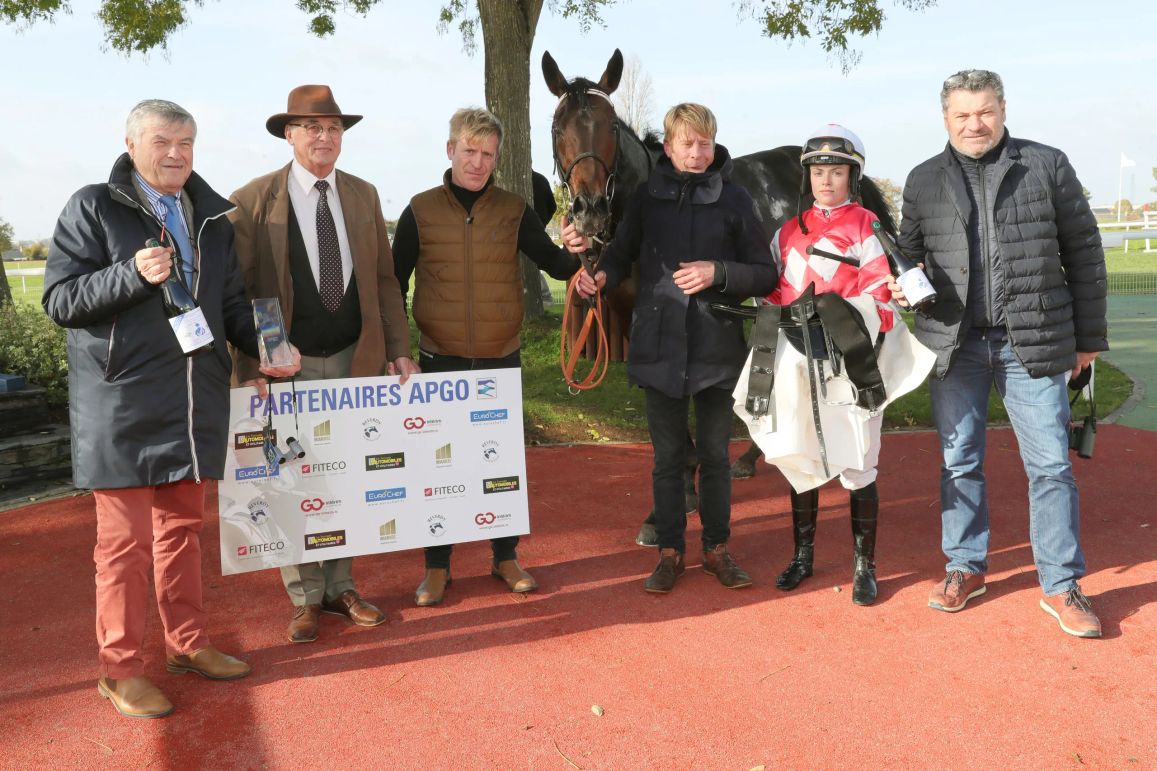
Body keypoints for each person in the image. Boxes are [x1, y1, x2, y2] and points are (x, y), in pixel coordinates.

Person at [42, 99, 300, 719]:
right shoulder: (92, 206)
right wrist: (131, 273)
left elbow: (230, 302)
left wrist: (267, 344)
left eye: (186, 142)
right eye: (162, 141)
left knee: (181, 535)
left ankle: (187, 644)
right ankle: (121, 670)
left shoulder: (210, 216)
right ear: (131, 144)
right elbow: (60, 299)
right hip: (123, 404)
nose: (176, 153)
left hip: (192, 402)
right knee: (124, 547)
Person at [896, 70, 1108, 637]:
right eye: (963, 115)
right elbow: (907, 256)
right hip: (955, 344)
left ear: (1003, 108)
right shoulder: (921, 180)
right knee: (959, 461)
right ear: (945, 118)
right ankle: (965, 567)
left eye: (985, 111)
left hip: (1032, 342)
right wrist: (903, 283)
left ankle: (1061, 584)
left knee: (1051, 466)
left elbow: (1085, 255)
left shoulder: (1047, 164)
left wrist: (1088, 340)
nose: (975, 124)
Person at [230, 85, 419, 643]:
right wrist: (255, 366)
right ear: (289, 134)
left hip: (353, 361)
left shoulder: (363, 195)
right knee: (292, 479)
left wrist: (398, 347)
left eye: (333, 128)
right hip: (286, 369)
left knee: (349, 478)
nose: (324, 137)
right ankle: (305, 597)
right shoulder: (252, 200)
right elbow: (240, 291)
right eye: (311, 127)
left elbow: (386, 281)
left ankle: (342, 587)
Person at [576, 103, 777, 593]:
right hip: (658, 346)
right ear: (668, 147)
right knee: (667, 460)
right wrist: (600, 275)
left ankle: (717, 549)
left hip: (716, 348)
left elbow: (765, 272)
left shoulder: (735, 199)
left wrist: (718, 273)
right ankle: (670, 552)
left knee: (713, 456)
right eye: (686, 143)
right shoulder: (646, 198)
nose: (696, 152)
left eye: (704, 142)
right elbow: (620, 254)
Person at [732, 125, 934, 606]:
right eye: (819, 171)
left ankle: (865, 564)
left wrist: (832, 313)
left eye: (836, 171)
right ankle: (803, 557)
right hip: (796, 359)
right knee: (800, 457)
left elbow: (879, 295)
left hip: (852, 363)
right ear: (808, 176)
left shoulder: (868, 226)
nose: (826, 180)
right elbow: (775, 291)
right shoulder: (787, 231)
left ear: (852, 176)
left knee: (859, 464)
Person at [392, 107, 584, 607]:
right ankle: (437, 567)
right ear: (450, 149)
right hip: (439, 357)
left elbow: (554, 261)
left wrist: (580, 255)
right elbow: (392, 283)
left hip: (500, 357)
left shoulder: (514, 208)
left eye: (488, 154)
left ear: (497, 158)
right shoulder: (419, 209)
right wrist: (396, 348)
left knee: (499, 464)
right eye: (469, 151)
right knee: (439, 468)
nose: (477, 162)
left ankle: (505, 557)